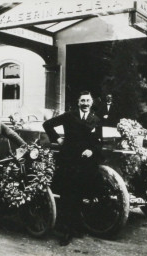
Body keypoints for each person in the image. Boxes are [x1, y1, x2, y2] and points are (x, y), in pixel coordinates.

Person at [43, 90, 103, 246]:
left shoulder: (96, 119)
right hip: (68, 161)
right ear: (78, 102)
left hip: (85, 164)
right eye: (82, 100)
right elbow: (47, 124)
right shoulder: (69, 116)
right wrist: (57, 139)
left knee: (80, 195)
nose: (85, 103)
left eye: (87, 100)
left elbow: (98, 142)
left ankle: (76, 227)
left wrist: (92, 150)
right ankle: (65, 232)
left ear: (91, 102)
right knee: (67, 196)